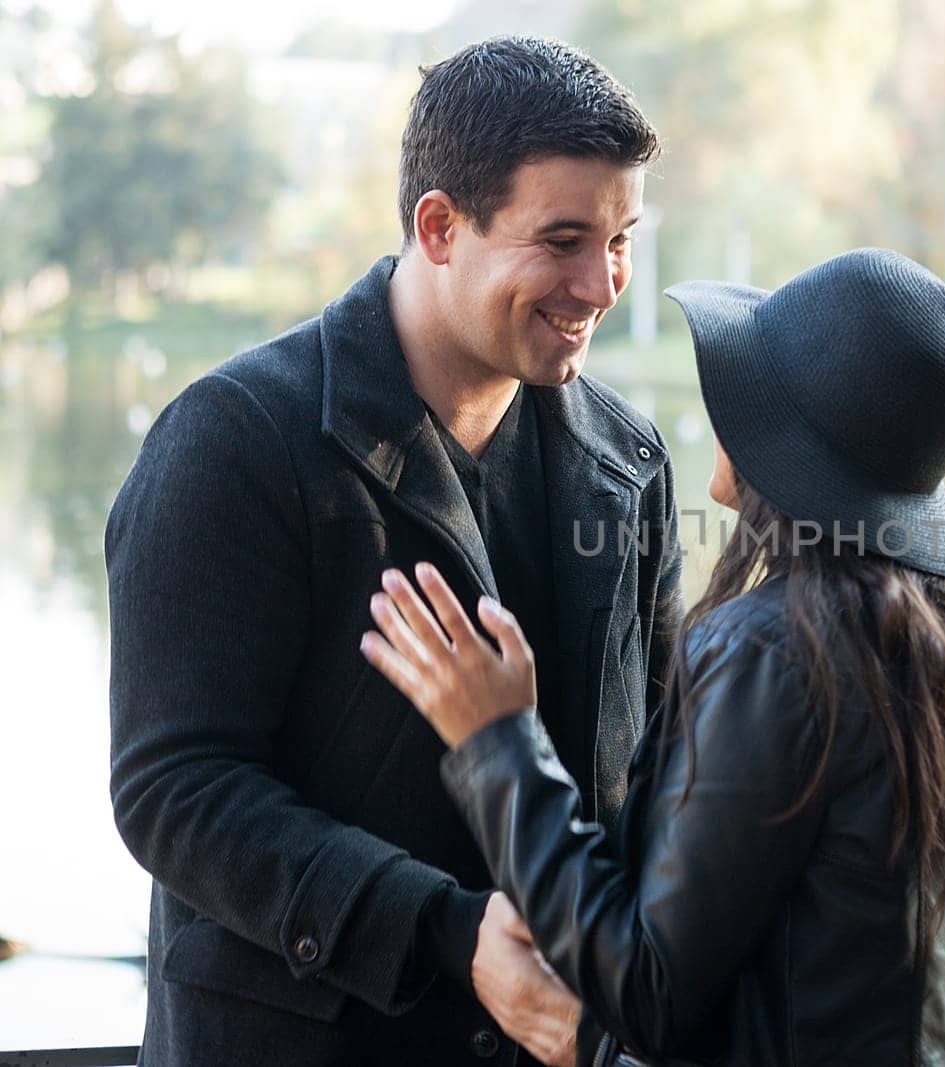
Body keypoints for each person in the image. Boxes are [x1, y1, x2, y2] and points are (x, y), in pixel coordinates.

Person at [105, 37, 681, 1066]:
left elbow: (666, 775)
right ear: (439, 226)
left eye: (622, 238)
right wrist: (449, 934)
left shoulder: (632, 461)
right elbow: (176, 790)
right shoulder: (231, 441)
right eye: (562, 240)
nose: (602, 283)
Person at [362, 248, 945, 1065]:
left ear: (786, 439)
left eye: (740, 384)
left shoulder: (775, 652)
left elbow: (649, 990)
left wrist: (498, 740)